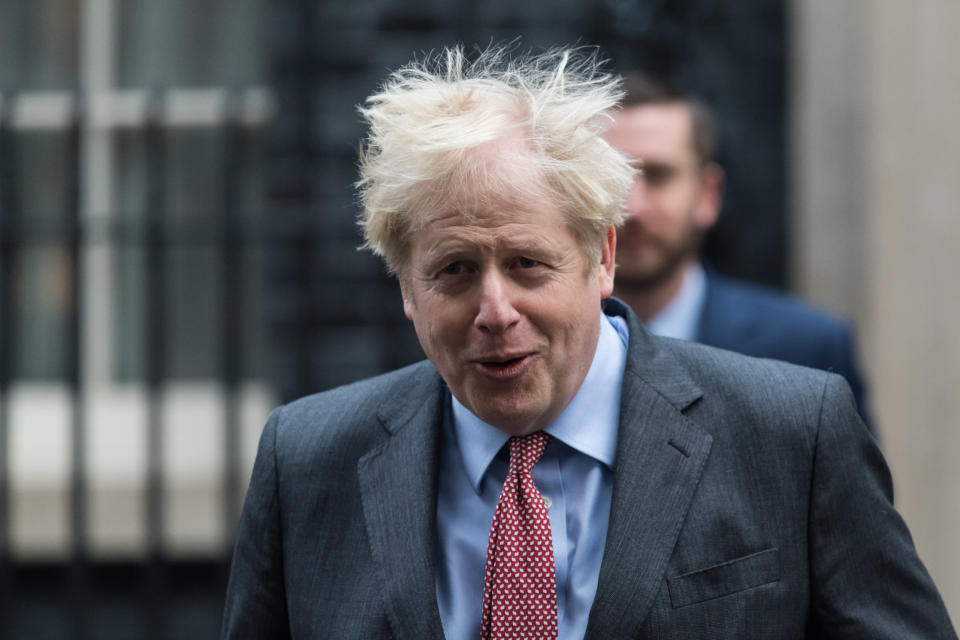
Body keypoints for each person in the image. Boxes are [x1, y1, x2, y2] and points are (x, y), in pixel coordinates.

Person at [222, 46, 955, 639]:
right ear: (406, 289)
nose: (495, 309)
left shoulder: (791, 433)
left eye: (527, 264)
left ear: (602, 257)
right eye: (453, 271)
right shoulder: (308, 461)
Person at [603, 73, 873, 427]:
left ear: (708, 194)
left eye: (659, 175)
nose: (632, 208)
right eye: (612, 177)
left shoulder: (808, 350)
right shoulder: (533, 349)